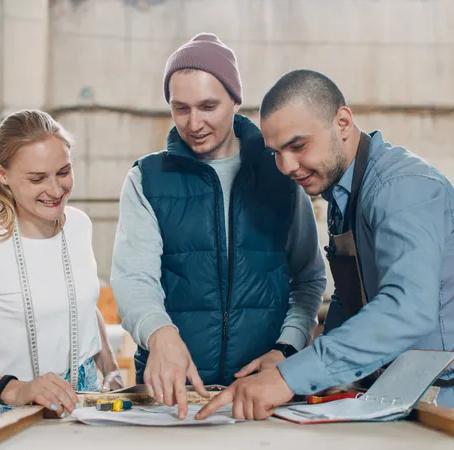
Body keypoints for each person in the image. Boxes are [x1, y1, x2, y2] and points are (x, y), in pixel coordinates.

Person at [197, 69, 454, 421]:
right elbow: (351, 301)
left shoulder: (402, 188)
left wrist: (290, 378)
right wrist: (290, 362)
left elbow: (407, 308)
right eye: (276, 152)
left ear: (343, 122)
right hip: (395, 404)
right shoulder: (343, 196)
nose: (286, 166)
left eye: (298, 145)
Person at [111, 34, 327, 419]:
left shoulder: (281, 170)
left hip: (264, 393)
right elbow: (133, 278)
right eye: (181, 109)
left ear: (235, 100)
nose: (194, 123)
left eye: (208, 106)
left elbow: (308, 279)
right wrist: (159, 334)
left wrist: (287, 349)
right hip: (173, 398)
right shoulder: (147, 178)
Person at [0, 109, 124, 420]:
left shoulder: (78, 225)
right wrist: (17, 390)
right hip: (15, 410)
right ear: (3, 175)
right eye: (37, 179)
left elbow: (83, 306)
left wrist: (111, 372)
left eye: (63, 172)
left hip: (85, 404)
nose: (56, 190)